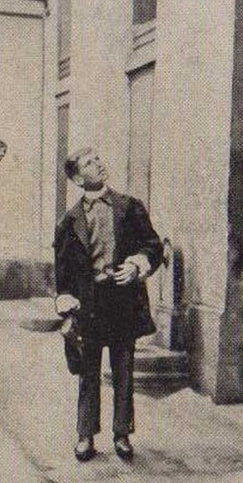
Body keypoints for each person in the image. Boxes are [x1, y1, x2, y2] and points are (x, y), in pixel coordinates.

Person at [54, 148, 163, 463]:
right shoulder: (69, 221)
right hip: (88, 305)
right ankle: (85, 434)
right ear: (77, 178)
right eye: (89, 163)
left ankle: (122, 433)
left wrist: (137, 263)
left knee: (123, 368)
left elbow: (152, 245)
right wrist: (65, 297)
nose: (99, 164)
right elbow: (62, 268)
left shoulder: (130, 208)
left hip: (122, 300)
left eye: (98, 158)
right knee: (88, 371)